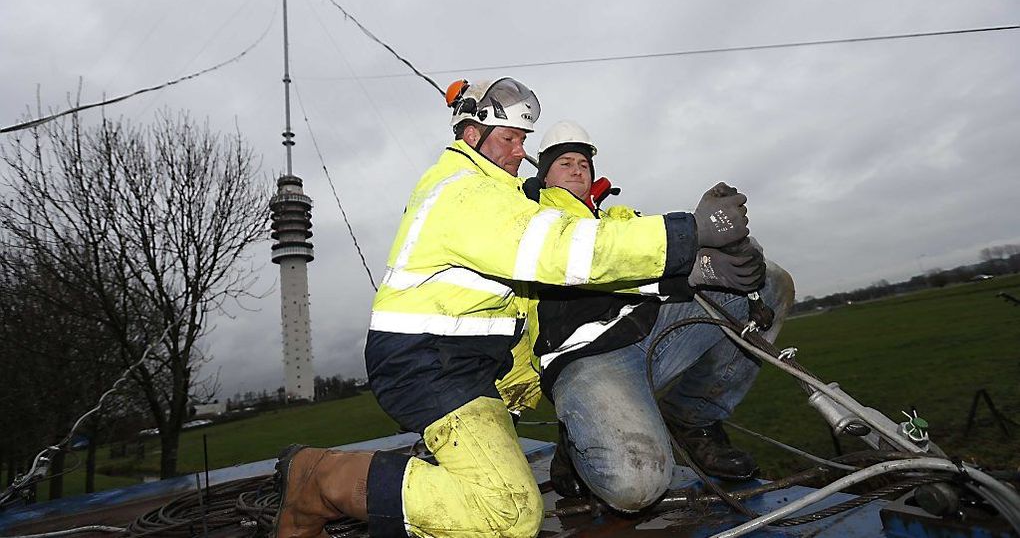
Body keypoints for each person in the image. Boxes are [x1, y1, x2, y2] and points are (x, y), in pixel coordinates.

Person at [272, 78, 752, 538]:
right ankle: (322, 479)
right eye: (510, 139)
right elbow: (562, 251)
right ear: (472, 132)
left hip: (465, 366)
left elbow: (527, 310)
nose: (520, 152)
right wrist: (687, 232)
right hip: (430, 363)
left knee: (507, 495)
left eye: (523, 140)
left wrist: (687, 269)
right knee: (510, 516)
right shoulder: (465, 192)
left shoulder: (493, 194)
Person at [524, 120, 795, 512]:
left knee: (769, 282)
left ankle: (693, 419)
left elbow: (657, 246)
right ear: (544, 173)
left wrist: (729, 246)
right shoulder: (533, 218)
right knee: (635, 486)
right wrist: (691, 255)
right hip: (587, 357)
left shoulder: (617, 218)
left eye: (584, 163)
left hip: (651, 333)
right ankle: (578, 437)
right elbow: (592, 257)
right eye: (565, 162)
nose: (578, 169)